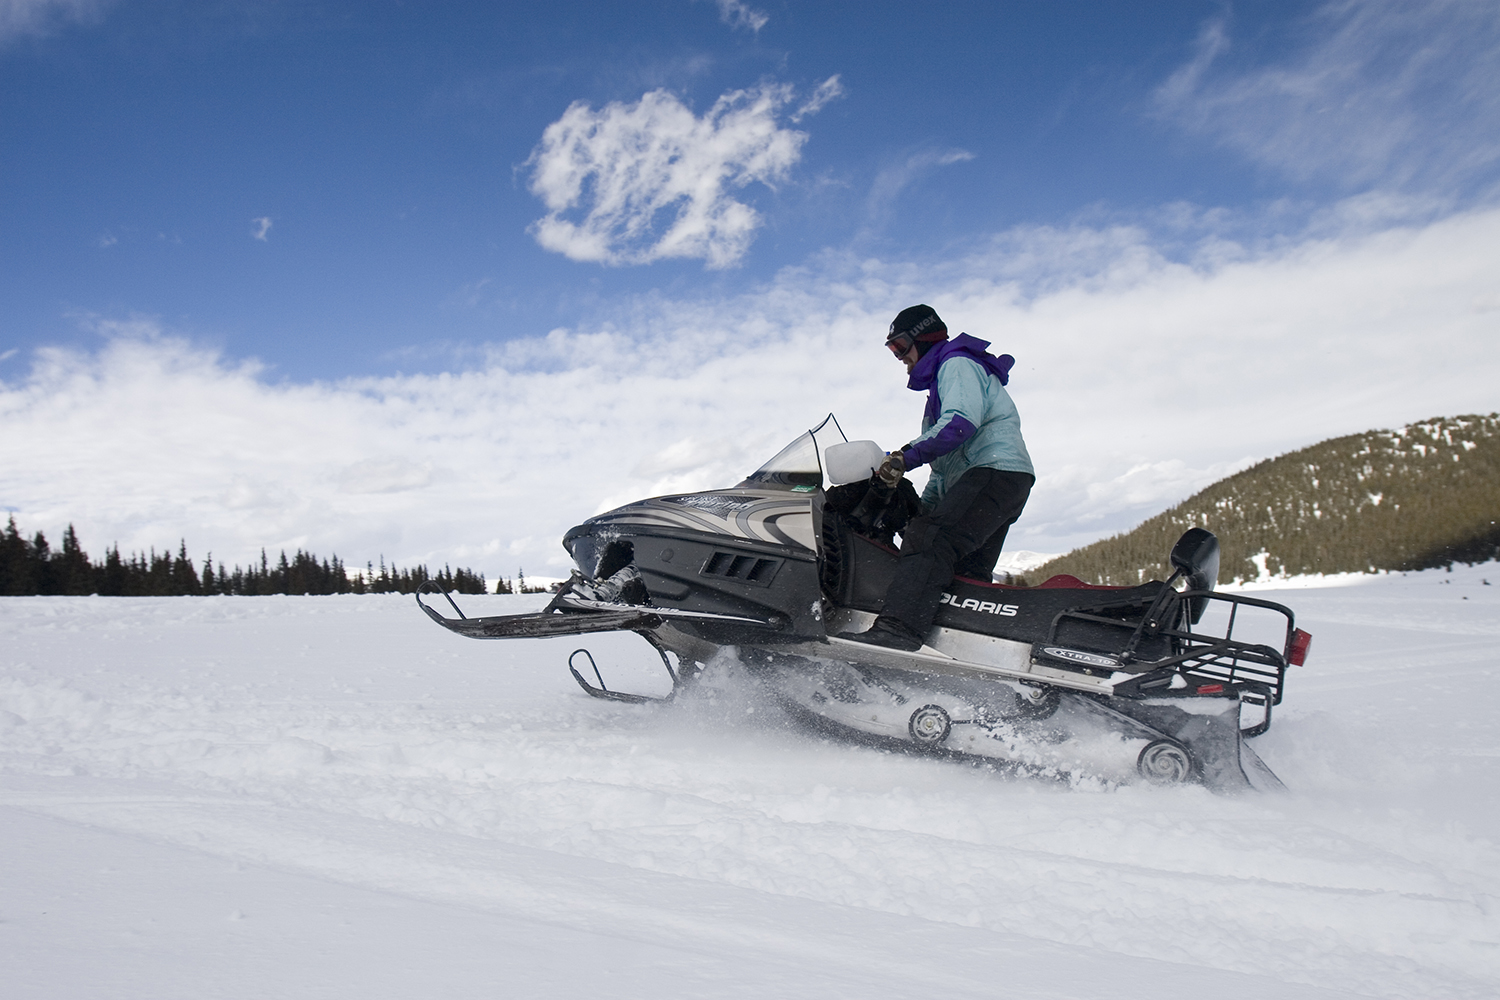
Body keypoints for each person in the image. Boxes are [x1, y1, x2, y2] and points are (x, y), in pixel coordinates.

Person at [837, 304, 1035, 652]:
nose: (899, 357)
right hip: (999, 479)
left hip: (994, 472)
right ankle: (966, 650)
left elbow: (960, 423)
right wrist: (922, 510)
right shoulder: (944, 382)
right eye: (892, 350)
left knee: (931, 538)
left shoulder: (956, 363)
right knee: (964, 571)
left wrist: (903, 457)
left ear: (924, 339)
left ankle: (898, 632)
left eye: (899, 346)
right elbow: (943, 470)